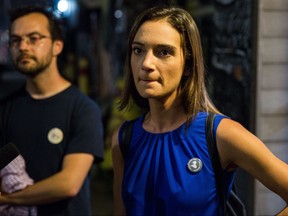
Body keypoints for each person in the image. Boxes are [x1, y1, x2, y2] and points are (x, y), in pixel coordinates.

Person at [111, 6, 288, 216]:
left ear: (187, 64)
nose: (146, 63)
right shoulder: (124, 139)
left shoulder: (220, 134)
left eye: (163, 52)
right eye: (138, 50)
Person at [0, 6, 104, 216]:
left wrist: (7, 199)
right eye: (15, 40)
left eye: (33, 38)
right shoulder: (6, 108)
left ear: (57, 45)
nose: (23, 46)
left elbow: (68, 183)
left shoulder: (82, 109)